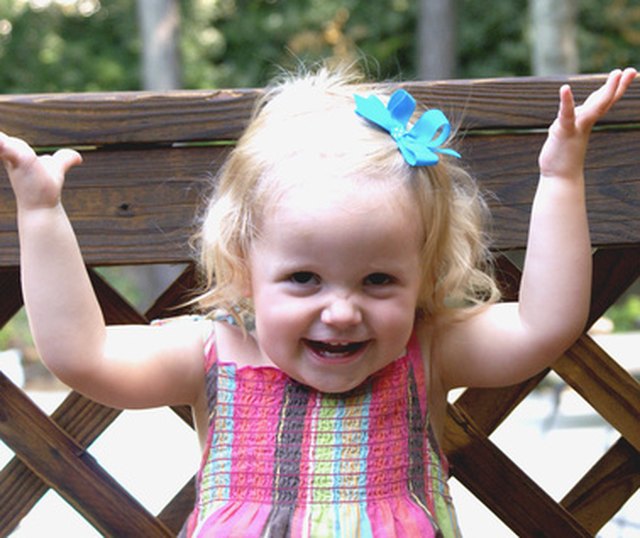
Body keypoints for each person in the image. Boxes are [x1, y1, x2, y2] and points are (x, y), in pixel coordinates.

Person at [0, 65, 635, 537]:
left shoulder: (424, 346)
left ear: (424, 274)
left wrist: (560, 178)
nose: (341, 311)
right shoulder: (210, 352)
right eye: (304, 278)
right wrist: (42, 214)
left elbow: (544, 323)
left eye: (378, 280)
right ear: (245, 268)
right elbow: (81, 355)